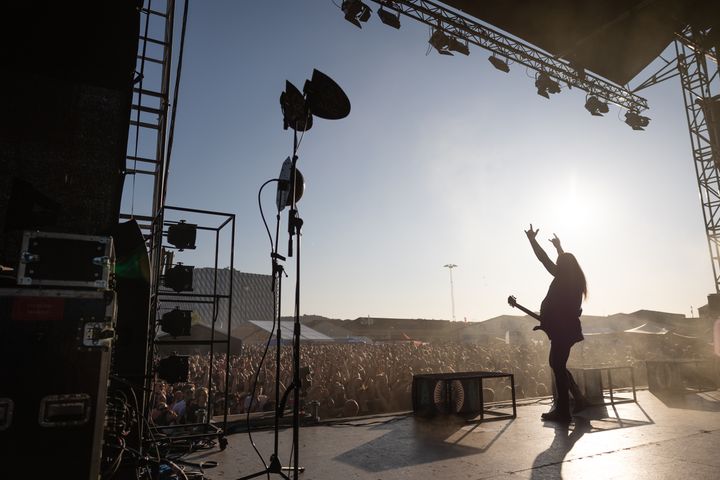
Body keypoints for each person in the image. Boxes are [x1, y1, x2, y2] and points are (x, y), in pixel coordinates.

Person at [525, 224, 588, 422]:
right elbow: (565, 261)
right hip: (566, 329)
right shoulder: (574, 278)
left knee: (557, 365)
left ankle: (563, 411)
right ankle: (578, 397)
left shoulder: (563, 277)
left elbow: (544, 260)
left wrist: (532, 240)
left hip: (562, 330)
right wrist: (559, 248)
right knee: (557, 364)